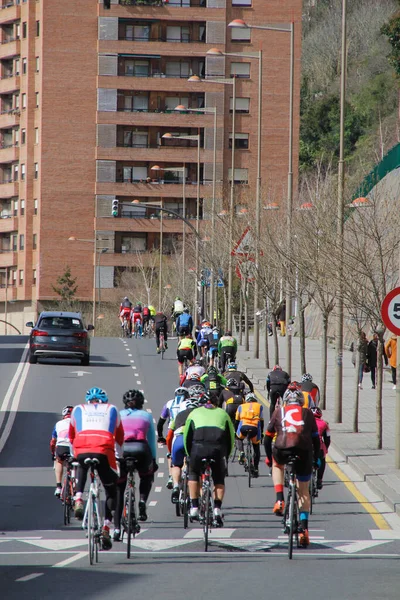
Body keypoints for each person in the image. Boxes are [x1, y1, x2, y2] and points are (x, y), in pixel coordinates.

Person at [69, 387, 124, 550]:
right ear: (104, 401)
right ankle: (106, 528)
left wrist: (74, 454)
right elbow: (120, 437)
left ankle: (78, 498)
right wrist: (119, 456)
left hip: (81, 446)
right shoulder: (112, 409)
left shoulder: (78, 409)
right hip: (103, 448)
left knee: (82, 465)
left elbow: (72, 435)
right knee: (111, 490)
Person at [264, 387, 320, 548]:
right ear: (302, 403)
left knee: (277, 465)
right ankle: (304, 529)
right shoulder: (308, 413)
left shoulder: (278, 412)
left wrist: (269, 457)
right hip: (303, 451)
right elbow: (316, 440)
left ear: (286, 401)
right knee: (303, 491)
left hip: (282, 448)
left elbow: (267, 440)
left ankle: (279, 498)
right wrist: (316, 459)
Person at [183, 393, 235, 526]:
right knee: (219, 479)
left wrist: (190, 455)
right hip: (217, 451)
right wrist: (227, 456)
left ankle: (194, 507)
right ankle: (217, 509)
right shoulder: (223, 414)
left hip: (197, 450)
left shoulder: (194, 413)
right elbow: (231, 438)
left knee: (193, 474)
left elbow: (187, 437)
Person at [113, 390, 157, 540]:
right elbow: (151, 440)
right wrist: (154, 460)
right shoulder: (147, 416)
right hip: (141, 448)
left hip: (123, 449)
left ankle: (117, 529)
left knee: (119, 489)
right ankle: (142, 501)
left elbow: (113, 437)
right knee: (146, 476)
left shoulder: (118, 414)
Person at [166, 397, 199, 504]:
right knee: (196, 470)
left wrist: (170, 451)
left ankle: (175, 485)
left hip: (178, 440)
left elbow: (169, 436)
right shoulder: (199, 415)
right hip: (193, 442)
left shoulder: (178, 416)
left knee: (176, 465)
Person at [157, 387, 190, 489]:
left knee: (171, 454)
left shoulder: (169, 404)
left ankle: (171, 476)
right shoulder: (188, 404)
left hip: (172, 430)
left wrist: (160, 436)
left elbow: (160, 423)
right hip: (187, 430)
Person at [235, 392, 264, 477]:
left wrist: (236, 431)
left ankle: (241, 452)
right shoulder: (259, 406)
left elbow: (237, 421)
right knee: (256, 447)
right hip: (254, 428)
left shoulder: (241, 406)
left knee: (239, 438)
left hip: (243, 427)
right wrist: (261, 432)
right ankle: (255, 468)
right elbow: (261, 421)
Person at [50, 405, 73, 497]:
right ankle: (77, 489)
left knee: (58, 461)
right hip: (73, 447)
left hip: (61, 446)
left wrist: (53, 454)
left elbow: (52, 442)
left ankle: (58, 486)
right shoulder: (78, 423)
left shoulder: (58, 424)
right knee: (78, 464)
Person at [311, 407, 330, 490]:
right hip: (319, 447)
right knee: (322, 459)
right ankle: (319, 480)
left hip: (306, 446)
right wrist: (326, 449)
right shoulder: (324, 424)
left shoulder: (304, 422)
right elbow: (327, 439)